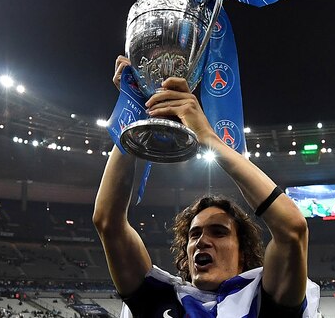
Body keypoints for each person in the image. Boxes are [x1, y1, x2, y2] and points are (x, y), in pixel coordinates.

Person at [93, 55, 318, 318]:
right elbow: (108, 222)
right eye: (194, 234)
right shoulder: (161, 299)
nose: (202, 241)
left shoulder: (263, 300)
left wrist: (210, 140)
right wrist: (136, 109)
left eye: (219, 232)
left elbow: (293, 228)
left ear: (243, 253)